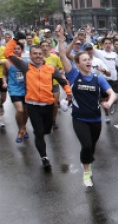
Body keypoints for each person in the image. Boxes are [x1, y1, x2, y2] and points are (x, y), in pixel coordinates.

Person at [55, 27, 117, 187]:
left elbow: (112, 93)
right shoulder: (74, 75)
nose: (88, 61)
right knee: (87, 145)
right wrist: (61, 40)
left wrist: (109, 103)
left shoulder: (98, 77)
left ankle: (87, 162)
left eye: (89, 59)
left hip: (96, 118)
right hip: (79, 118)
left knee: (92, 146)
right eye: (84, 60)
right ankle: (86, 172)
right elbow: (62, 55)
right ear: (77, 63)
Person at [7, 40, 72, 171]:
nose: (37, 56)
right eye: (34, 54)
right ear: (30, 55)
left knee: (47, 130)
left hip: (48, 104)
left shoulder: (51, 68)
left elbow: (62, 81)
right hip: (32, 105)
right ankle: (44, 157)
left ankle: (43, 142)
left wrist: (69, 93)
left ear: (44, 54)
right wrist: (15, 40)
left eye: (39, 53)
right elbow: (7, 52)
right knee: (39, 133)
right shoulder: (25, 66)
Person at [0, 42, 29, 143]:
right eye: (14, 49)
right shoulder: (7, 62)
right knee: (20, 110)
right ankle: (20, 129)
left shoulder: (26, 61)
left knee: (26, 112)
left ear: (21, 50)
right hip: (14, 89)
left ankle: (24, 126)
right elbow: (4, 75)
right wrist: (4, 83)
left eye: (18, 49)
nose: (16, 51)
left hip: (26, 89)